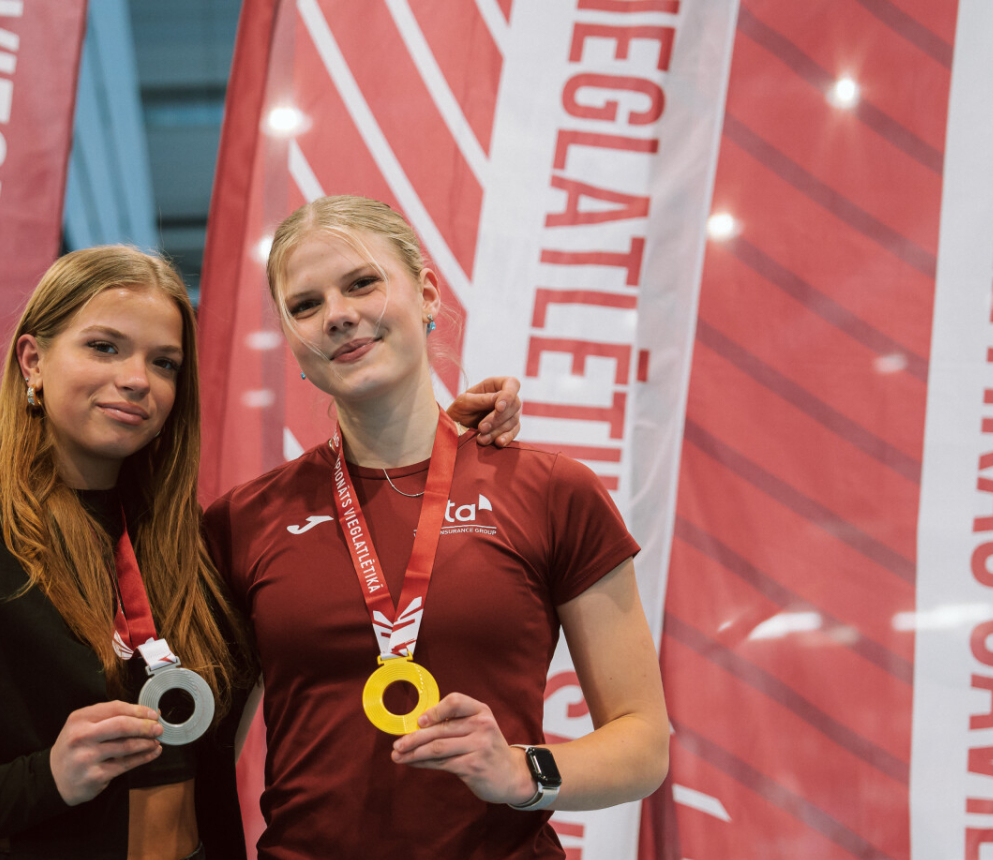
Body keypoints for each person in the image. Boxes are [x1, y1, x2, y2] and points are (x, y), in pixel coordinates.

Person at [0, 245, 522, 860]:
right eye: (104, 347)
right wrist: (44, 779)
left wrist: (437, 444)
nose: (136, 379)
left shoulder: (193, 549)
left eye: (164, 362)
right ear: (33, 359)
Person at [203, 196, 669, 860]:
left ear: (426, 294)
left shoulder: (552, 492)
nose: (337, 314)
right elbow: (206, 756)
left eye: (362, 283)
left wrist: (521, 772)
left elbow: (642, 742)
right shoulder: (244, 520)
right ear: (293, 341)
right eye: (305, 305)